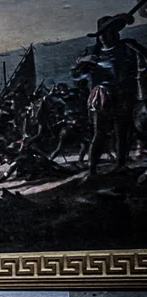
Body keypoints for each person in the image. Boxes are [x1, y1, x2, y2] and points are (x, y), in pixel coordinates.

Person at [73, 12, 147, 178]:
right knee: (99, 133)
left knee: (122, 132)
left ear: (115, 32)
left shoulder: (127, 47)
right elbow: (77, 76)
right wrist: (82, 61)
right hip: (102, 98)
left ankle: (120, 165)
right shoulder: (92, 53)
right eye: (101, 34)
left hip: (124, 96)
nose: (104, 37)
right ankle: (91, 170)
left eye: (108, 32)